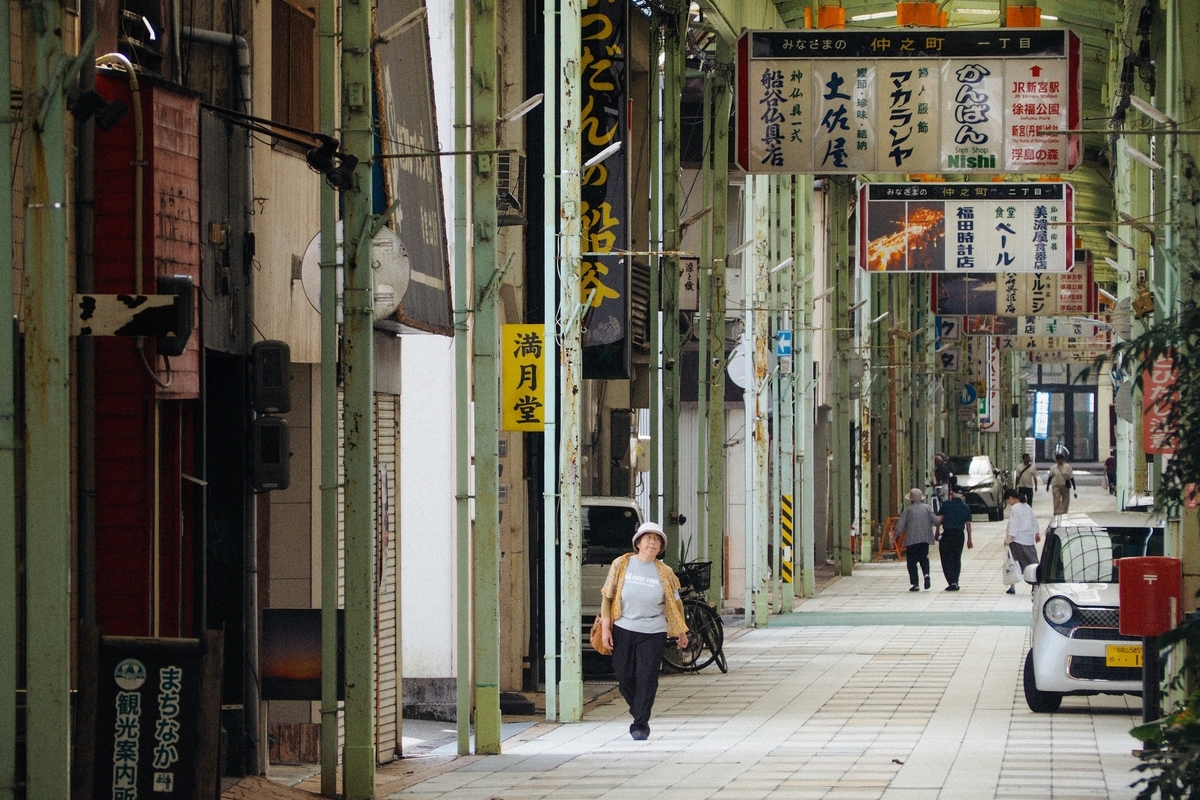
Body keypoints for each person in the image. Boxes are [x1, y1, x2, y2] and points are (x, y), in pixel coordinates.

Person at [599, 521, 689, 740]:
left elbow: (676, 603)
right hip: (623, 627)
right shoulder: (621, 564)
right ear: (638, 543)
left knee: (647, 677)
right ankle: (639, 709)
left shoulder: (665, 572)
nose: (652, 542)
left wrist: (682, 631)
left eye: (657, 539)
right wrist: (606, 629)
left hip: (653, 631)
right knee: (624, 676)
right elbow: (607, 598)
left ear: (661, 547)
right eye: (648, 538)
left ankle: (640, 724)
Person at [893, 488, 937, 592]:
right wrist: (941, 519)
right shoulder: (927, 508)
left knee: (911, 562)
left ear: (911, 499)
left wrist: (895, 534)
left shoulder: (908, 510)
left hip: (912, 539)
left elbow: (901, 524)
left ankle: (915, 584)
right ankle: (926, 575)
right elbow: (935, 520)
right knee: (923, 558)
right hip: (925, 538)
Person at [935, 483, 973, 591]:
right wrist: (969, 539)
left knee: (946, 558)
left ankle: (951, 580)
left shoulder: (946, 504)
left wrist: (937, 531)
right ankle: (955, 581)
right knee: (956, 558)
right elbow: (968, 525)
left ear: (951, 493)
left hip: (947, 534)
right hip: (959, 535)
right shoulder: (965, 507)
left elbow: (940, 519)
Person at [1003, 488, 1041, 594]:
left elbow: (1014, 524)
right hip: (1028, 539)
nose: (1008, 503)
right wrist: (1037, 533)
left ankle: (1012, 586)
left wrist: (1009, 538)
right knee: (1033, 563)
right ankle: (1035, 585)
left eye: (1007, 501)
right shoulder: (1027, 506)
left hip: (1017, 540)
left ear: (1011, 498)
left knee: (1013, 563)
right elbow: (1034, 520)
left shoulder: (1014, 508)